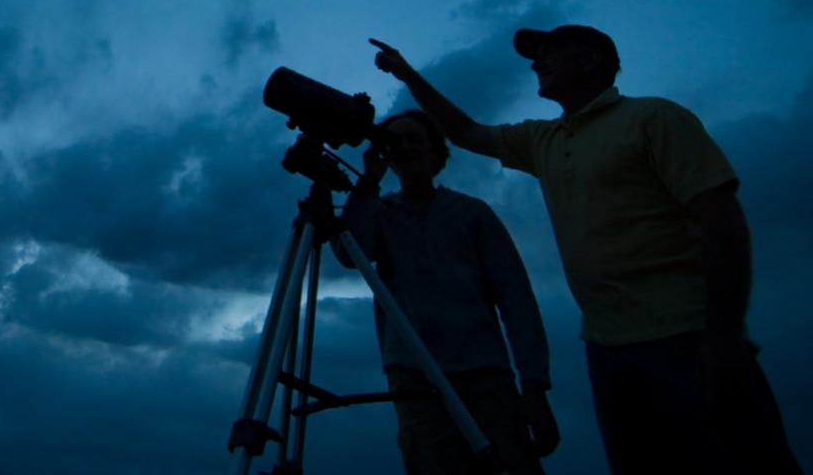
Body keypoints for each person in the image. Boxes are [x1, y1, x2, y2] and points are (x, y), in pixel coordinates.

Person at [368, 27, 804, 474]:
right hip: (607, 348)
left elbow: (721, 217)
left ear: (593, 59)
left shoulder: (653, 118)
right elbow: (462, 130)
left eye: (549, 52)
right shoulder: (544, 140)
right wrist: (406, 73)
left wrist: (724, 334)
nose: (537, 64)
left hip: (686, 335)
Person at [331, 109, 559, 475]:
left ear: (436, 151)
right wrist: (368, 185)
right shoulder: (382, 212)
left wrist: (533, 386)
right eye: (394, 142)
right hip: (415, 378)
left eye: (414, 139)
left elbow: (516, 299)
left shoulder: (472, 214)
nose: (404, 148)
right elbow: (349, 252)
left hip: (486, 377)